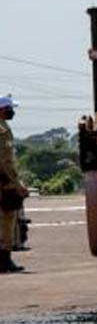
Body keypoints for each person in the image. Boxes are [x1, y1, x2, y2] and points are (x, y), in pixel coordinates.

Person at [0, 95, 29, 273]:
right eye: (10, 108)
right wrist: (18, 185)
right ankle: (4, 259)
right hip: (4, 183)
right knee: (7, 220)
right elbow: (6, 162)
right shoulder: (3, 130)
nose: (13, 112)